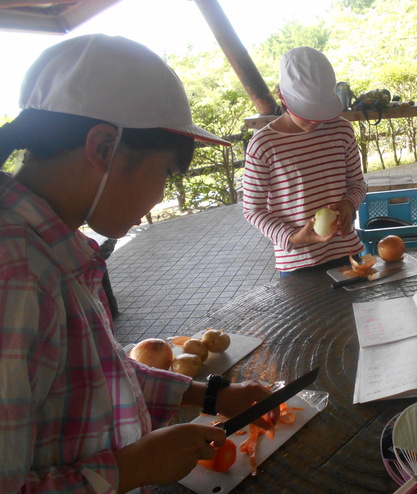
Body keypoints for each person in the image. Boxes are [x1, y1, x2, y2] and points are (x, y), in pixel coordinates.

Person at [0, 34, 278, 493]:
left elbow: (99, 372)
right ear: (104, 149)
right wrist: (131, 469)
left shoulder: (53, 249)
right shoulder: (17, 274)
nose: (162, 195)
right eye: (166, 173)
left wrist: (213, 394)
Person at [242, 46, 367, 274]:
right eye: (306, 111)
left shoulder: (341, 130)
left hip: (346, 251)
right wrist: (294, 237)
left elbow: (357, 183)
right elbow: (253, 208)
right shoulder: (263, 145)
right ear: (281, 95)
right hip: (298, 261)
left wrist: (349, 203)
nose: (315, 120)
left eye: (321, 111)